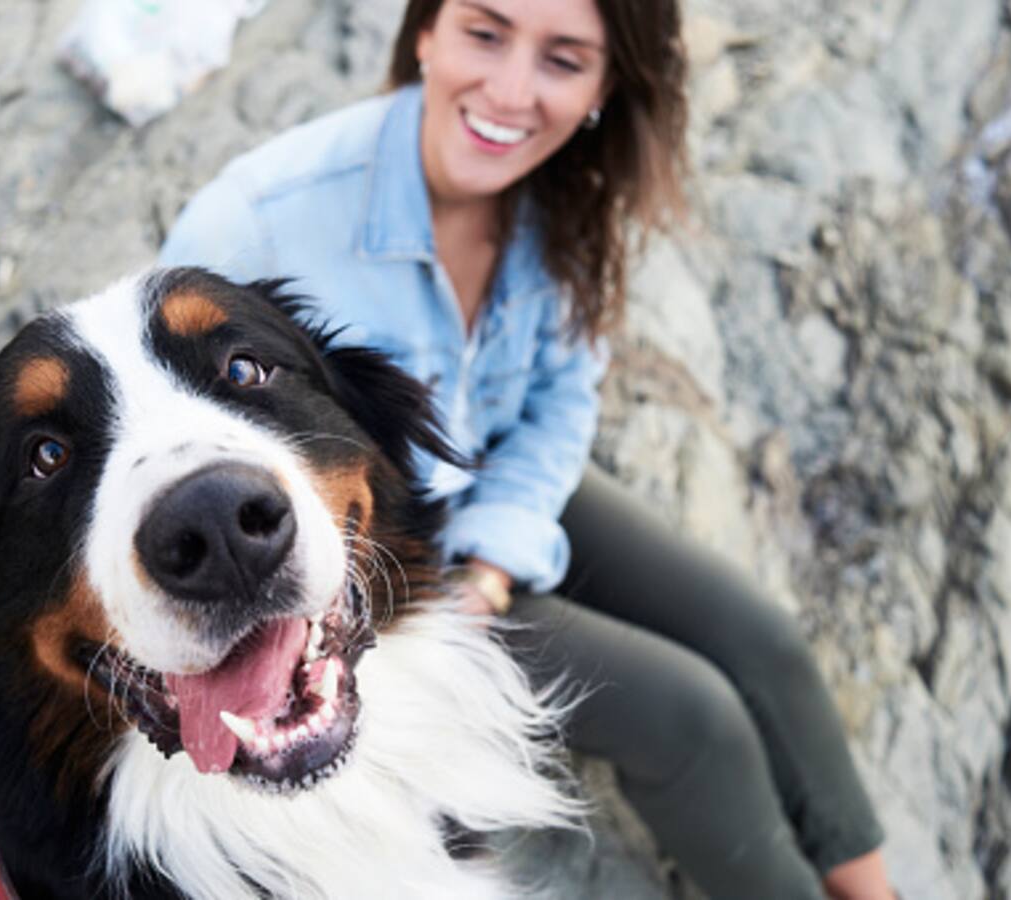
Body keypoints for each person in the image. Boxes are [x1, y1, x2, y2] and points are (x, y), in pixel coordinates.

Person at [159, 0, 898, 896]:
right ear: (425, 31)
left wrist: (501, 552)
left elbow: (561, 397)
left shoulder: (567, 199)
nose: (510, 91)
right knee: (694, 720)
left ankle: (874, 887)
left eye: (563, 58)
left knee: (763, 640)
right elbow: (188, 447)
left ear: (603, 85)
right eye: (485, 31)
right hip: (370, 558)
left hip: (495, 479)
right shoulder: (259, 224)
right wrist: (462, 587)